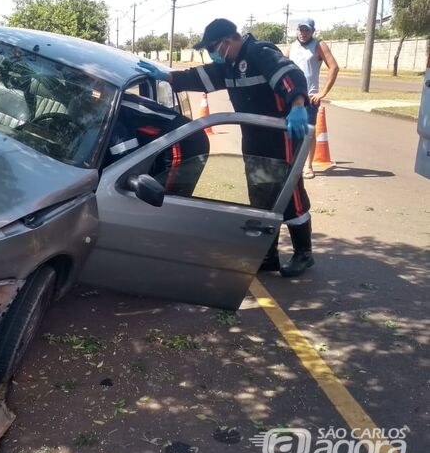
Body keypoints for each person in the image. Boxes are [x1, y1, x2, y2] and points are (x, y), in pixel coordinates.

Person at [137, 18, 314, 277]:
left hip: (282, 135)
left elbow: (290, 75)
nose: (211, 54)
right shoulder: (229, 66)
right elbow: (200, 77)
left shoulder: (259, 52)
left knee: (289, 192)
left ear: (227, 41)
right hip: (253, 136)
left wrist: (298, 107)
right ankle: (268, 254)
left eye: (212, 48)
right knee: (261, 194)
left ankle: (303, 253)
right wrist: (168, 76)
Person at [288, 17, 339, 178]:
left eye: (306, 30)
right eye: (301, 29)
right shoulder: (292, 47)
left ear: (312, 31)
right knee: (292, 131)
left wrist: (322, 92)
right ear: (297, 31)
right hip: (292, 97)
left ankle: (308, 166)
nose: (303, 33)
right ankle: (293, 163)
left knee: (308, 132)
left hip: (310, 98)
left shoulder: (318, 45)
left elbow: (334, 67)